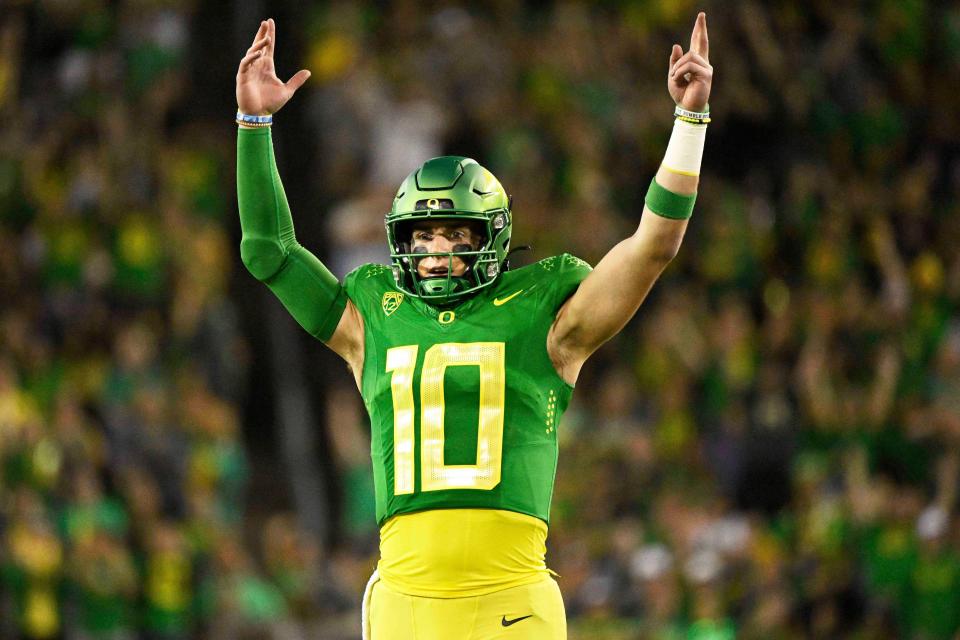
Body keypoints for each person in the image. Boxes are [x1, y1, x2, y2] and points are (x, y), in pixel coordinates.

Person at [235, 13, 712, 639]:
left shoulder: (545, 308)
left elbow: (653, 245)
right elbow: (267, 249)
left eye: (454, 234)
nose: (434, 251)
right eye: (422, 235)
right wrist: (254, 123)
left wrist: (689, 122)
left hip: (510, 601)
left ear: (492, 237)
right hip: (405, 602)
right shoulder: (372, 314)